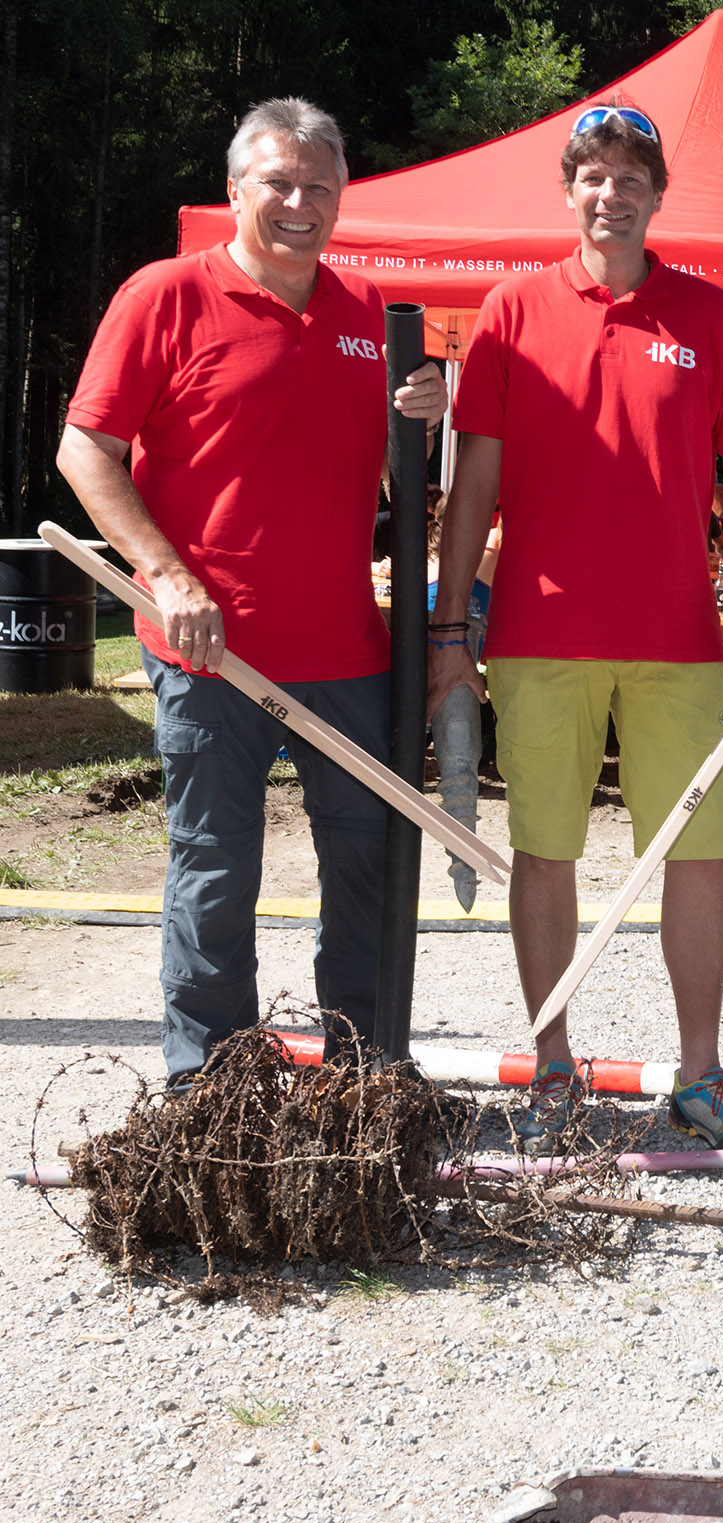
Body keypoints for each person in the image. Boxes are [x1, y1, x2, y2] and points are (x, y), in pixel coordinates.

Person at [427, 101, 723, 1153]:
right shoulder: (511, 310)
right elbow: (474, 488)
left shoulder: (708, 315)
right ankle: (554, 1067)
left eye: (631, 176)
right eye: (593, 175)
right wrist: (446, 628)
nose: (612, 192)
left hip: (680, 639)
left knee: (697, 856)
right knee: (543, 852)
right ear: (568, 189)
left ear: (655, 195)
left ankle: (698, 1071)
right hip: (539, 635)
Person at [55, 99, 446, 1086]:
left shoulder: (374, 320)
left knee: (367, 864)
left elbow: (410, 491)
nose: (300, 202)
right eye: (278, 182)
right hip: (208, 643)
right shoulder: (165, 295)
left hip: (348, 649)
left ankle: (359, 1075)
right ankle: (213, 1086)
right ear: (236, 189)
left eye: (320, 185)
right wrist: (167, 573)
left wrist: (427, 421)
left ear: (342, 194)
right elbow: (85, 449)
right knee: (218, 870)